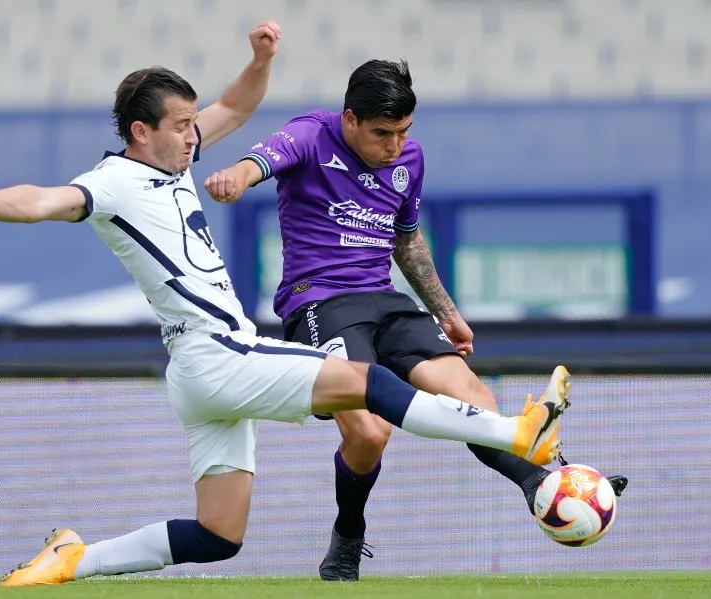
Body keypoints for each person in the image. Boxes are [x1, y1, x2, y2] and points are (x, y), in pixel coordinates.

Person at [0, 29, 569, 586]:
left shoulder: (175, 159)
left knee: (218, 535)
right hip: (219, 350)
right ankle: (515, 433)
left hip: (197, 376)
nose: (194, 135)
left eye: (194, 124)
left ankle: (74, 559)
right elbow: (42, 201)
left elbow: (237, 105)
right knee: (369, 385)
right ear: (140, 132)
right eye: (181, 126)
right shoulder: (112, 184)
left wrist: (260, 60)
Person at [204, 59, 628, 581]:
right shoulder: (310, 134)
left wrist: (448, 313)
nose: (395, 145)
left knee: (473, 398)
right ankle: (348, 536)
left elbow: (406, 241)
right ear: (350, 119)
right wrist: (235, 177)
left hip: (386, 302)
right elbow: (258, 162)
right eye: (383, 134)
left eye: (404, 132)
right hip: (320, 303)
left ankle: (540, 483)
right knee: (369, 433)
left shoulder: (410, 158)